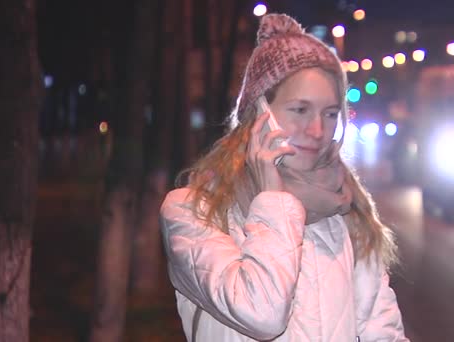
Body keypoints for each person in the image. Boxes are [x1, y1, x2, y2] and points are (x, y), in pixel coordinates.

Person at [160, 13, 409, 341]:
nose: (318, 130)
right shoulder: (194, 212)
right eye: (300, 110)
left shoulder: (347, 213)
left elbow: (383, 334)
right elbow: (262, 315)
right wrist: (274, 202)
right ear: (260, 112)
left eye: (330, 114)